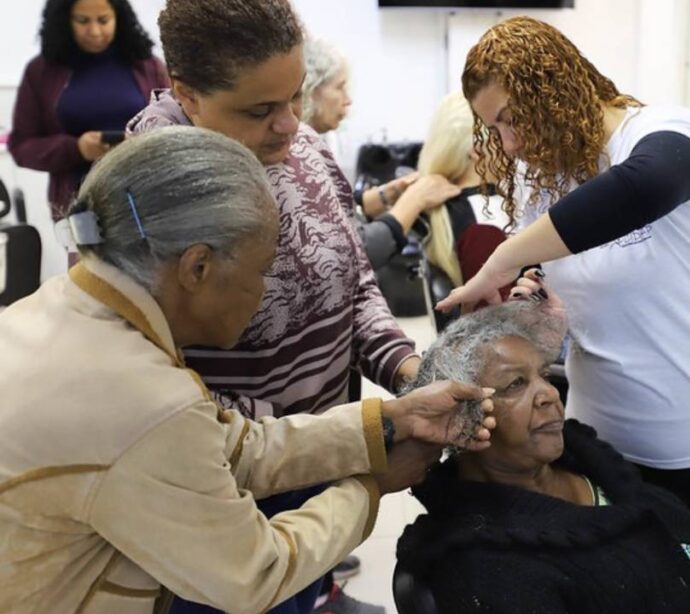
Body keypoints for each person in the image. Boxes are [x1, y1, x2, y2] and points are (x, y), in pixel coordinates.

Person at [0, 127, 495, 614]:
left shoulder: (65, 304)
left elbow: (234, 448)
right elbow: (256, 573)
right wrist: (370, 486)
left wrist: (392, 420)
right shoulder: (138, 399)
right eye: (262, 271)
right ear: (197, 268)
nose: (265, 294)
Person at [125, 2, 429, 611]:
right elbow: (150, 382)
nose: (290, 124)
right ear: (187, 94)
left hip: (319, 455)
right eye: (260, 109)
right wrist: (342, 443)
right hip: (231, 488)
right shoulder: (147, 199)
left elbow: (354, 282)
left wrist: (405, 369)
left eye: (295, 97)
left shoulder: (307, 150)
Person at [437, 16, 690, 519]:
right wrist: (534, 308)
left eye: (511, 118)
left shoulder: (668, 132)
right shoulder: (544, 182)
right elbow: (584, 295)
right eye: (494, 127)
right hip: (604, 441)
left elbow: (645, 186)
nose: (508, 143)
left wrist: (503, 258)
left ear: (552, 89)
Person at [397, 301, 690, 614]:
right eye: (517, 385)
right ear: (462, 422)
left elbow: (677, 532)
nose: (550, 395)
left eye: (543, 375)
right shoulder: (487, 565)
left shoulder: (585, 459)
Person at [301, 38, 460, 269]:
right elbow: (355, 253)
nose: (348, 99)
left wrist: (382, 197)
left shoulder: (312, 147)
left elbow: (331, 213)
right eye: (339, 87)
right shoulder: (299, 159)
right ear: (310, 90)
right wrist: (413, 201)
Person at [8, 0, 169, 224]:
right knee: (85, 260)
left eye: (103, 20)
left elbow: (176, 128)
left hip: (147, 198)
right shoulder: (41, 71)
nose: (94, 31)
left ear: (118, 18)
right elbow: (21, 147)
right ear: (66, 20)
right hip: (78, 205)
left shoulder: (148, 66)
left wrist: (141, 143)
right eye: (82, 21)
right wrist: (76, 149)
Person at [417, 91, 511, 288]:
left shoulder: (441, 211)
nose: (514, 141)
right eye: (502, 128)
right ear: (478, 148)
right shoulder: (491, 214)